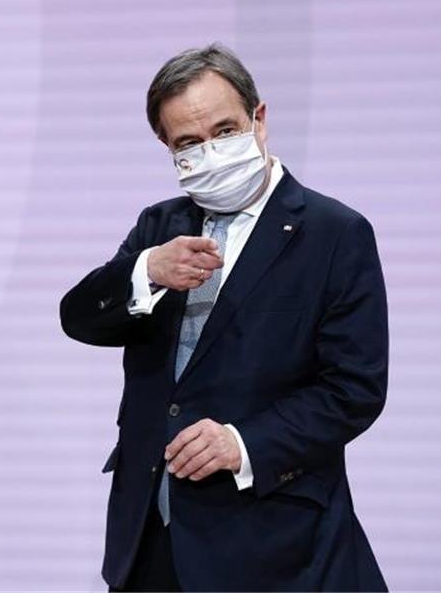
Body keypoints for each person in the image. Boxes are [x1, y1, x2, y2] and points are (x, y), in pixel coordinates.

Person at [59, 44, 388, 591]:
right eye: (188, 143)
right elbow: (79, 318)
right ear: (167, 148)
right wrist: (145, 271)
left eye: (225, 130)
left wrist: (244, 442)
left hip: (272, 541)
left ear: (258, 119)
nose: (210, 151)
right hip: (150, 536)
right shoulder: (159, 226)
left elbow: (354, 389)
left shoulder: (335, 233)